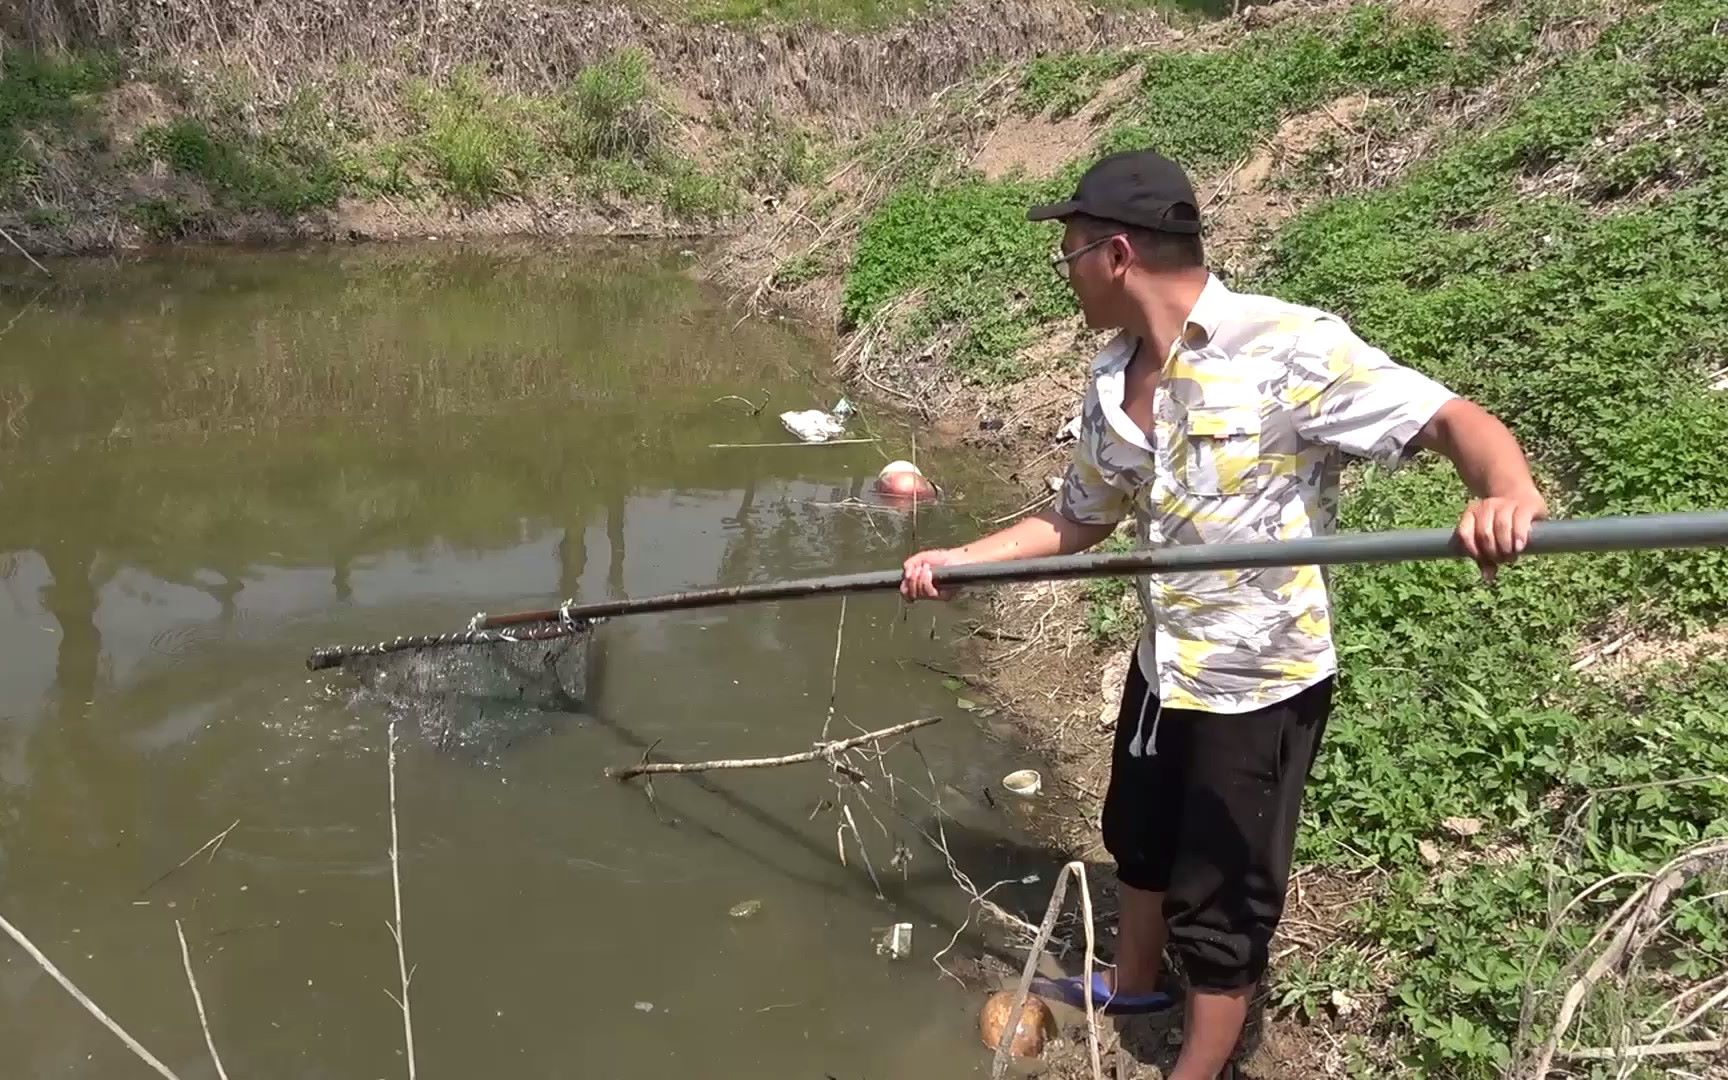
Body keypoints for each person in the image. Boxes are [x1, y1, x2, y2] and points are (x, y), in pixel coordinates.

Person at [899, 149, 1547, 1080]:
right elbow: (1080, 516)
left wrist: (1504, 488)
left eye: (1071, 252)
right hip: (1167, 662)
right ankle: (1133, 983)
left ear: (1117, 253)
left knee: (1223, 894)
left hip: (1258, 681)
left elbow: (1453, 420)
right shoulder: (1112, 377)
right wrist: (964, 559)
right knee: (1140, 836)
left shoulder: (1287, 345)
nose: (1067, 274)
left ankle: (1194, 1070)